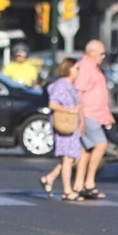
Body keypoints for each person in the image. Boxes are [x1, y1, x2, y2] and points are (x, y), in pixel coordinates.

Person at [74, 39, 113, 199]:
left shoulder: (94, 68)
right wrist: (81, 118)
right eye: (101, 53)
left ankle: (79, 184)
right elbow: (78, 94)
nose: (103, 56)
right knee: (101, 145)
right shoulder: (84, 68)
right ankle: (89, 182)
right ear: (91, 53)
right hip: (88, 114)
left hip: (97, 114)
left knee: (86, 151)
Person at [42, 57, 85, 201]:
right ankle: (67, 190)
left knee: (73, 157)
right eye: (76, 68)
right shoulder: (62, 85)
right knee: (68, 158)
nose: (79, 71)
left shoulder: (71, 85)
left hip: (72, 124)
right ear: (69, 69)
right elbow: (53, 104)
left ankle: (50, 177)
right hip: (64, 123)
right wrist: (69, 110)